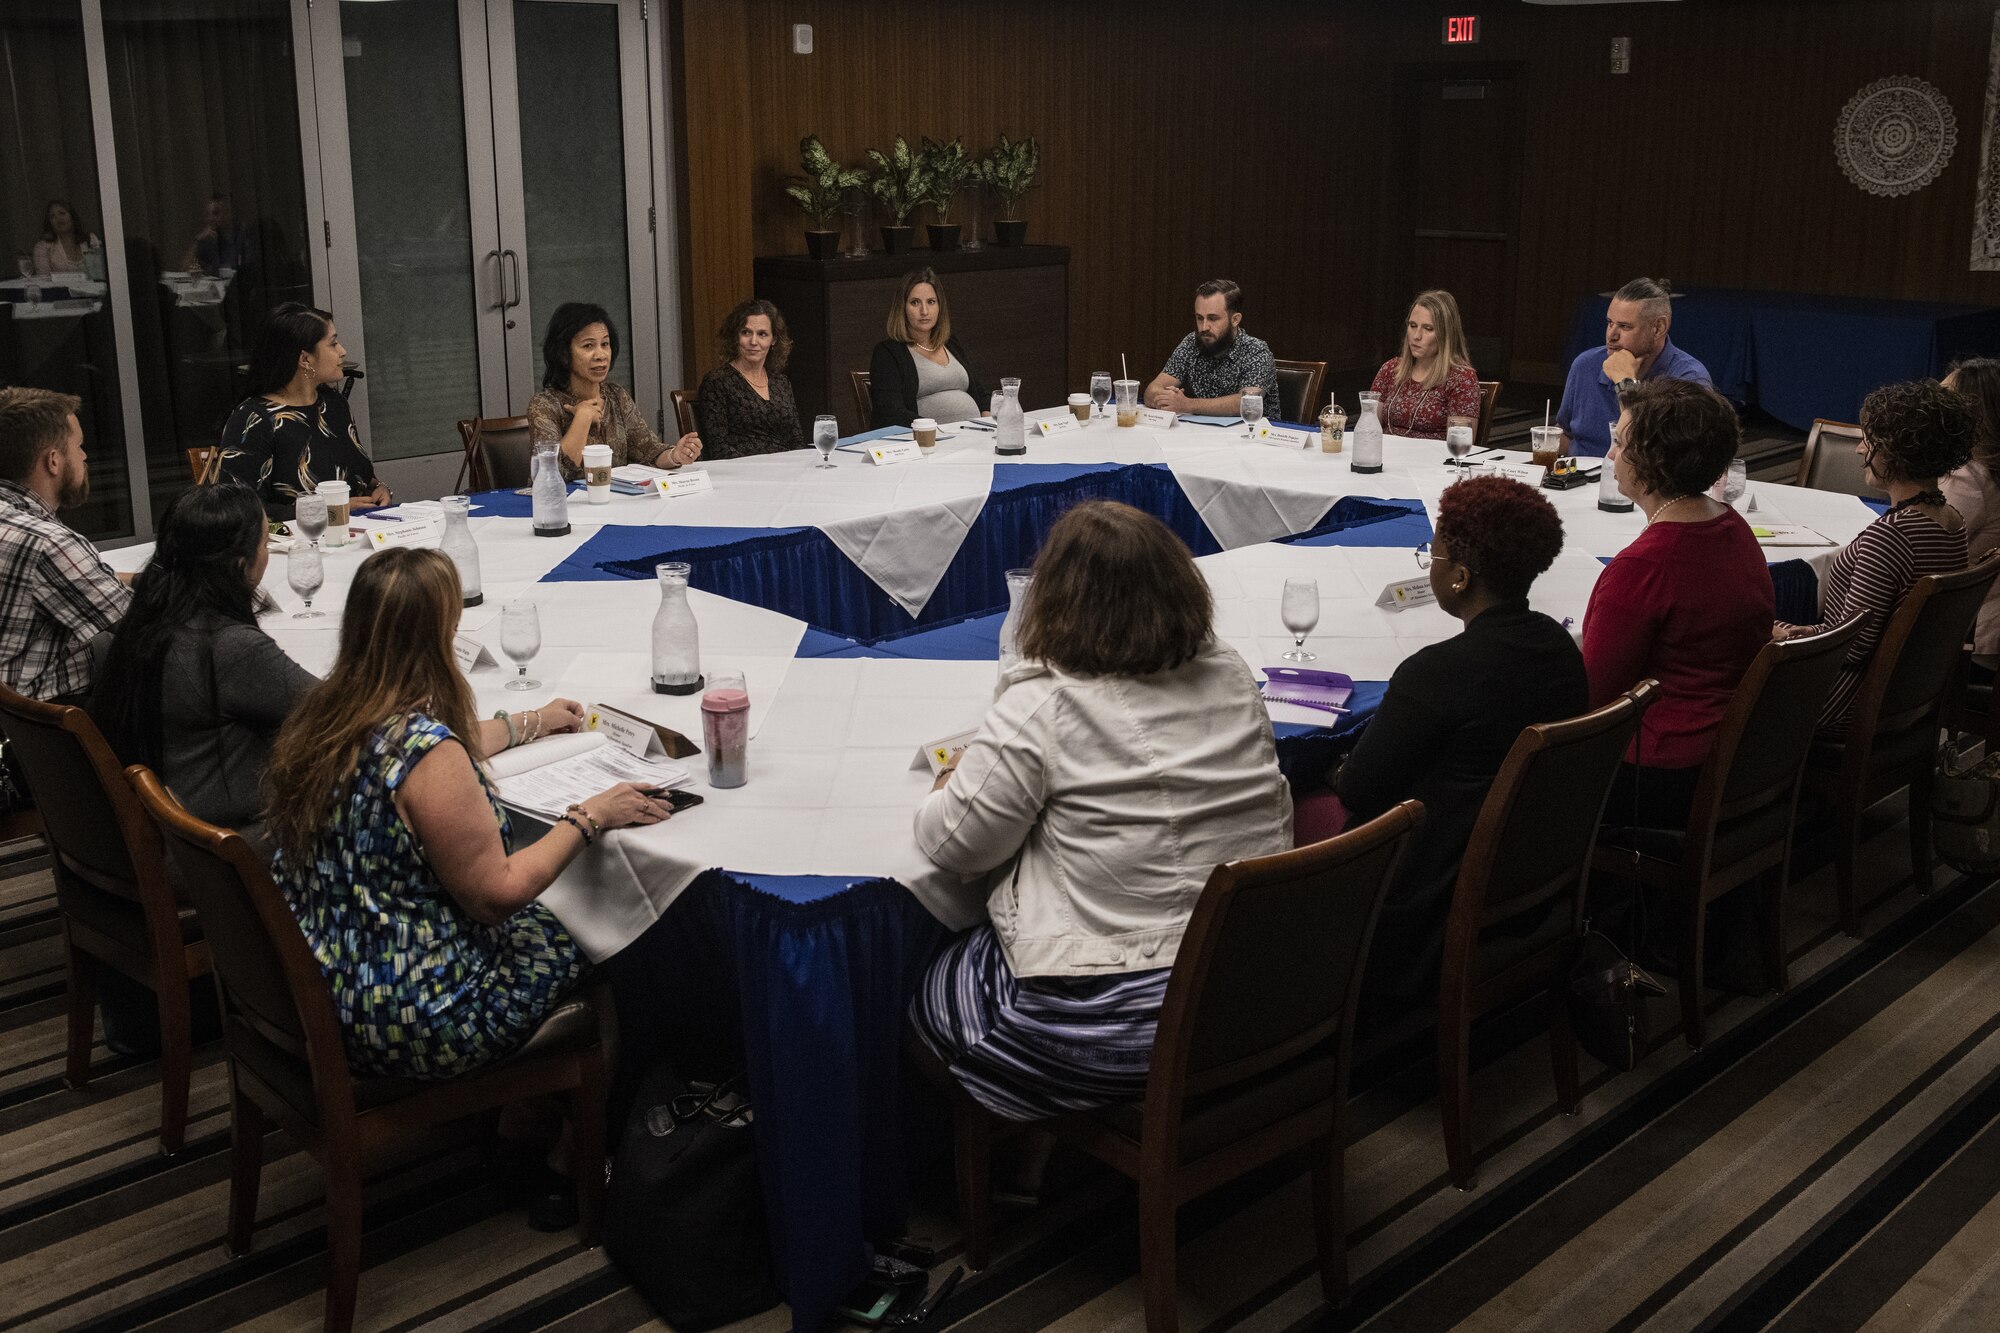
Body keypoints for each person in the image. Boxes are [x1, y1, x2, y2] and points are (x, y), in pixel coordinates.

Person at [908, 501, 1293, 1121]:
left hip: (1126, 1022)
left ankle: (1019, 1157)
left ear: (1054, 599)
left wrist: (944, 790)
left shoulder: (1044, 703)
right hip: (1252, 984)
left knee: (931, 997)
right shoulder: (1230, 672)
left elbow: (957, 847)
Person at [264, 546, 675, 1083]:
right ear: (440, 637)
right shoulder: (428, 756)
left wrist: (530, 722)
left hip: (330, 980)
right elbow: (494, 897)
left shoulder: (324, 716)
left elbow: (438, 743)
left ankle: (535, 1116)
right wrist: (591, 815)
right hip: (420, 1009)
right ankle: (579, 1134)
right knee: (611, 924)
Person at [1326, 476, 1587, 1013]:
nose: (1432, 564)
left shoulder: (1435, 673)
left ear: (1461, 577)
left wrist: (1334, 764)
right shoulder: (1559, 647)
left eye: (1434, 554)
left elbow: (1359, 791)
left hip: (1430, 900)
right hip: (1528, 874)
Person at [1582, 379, 1772, 829]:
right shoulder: (1732, 526)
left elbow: (1593, 697)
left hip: (1659, 769)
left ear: (1652, 460)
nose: (1610, 457)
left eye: (1619, 444)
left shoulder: (1644, 565)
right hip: (1735, 752)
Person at [88, 485, 315, 847]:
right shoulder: (227, 646)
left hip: (152, 828)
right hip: (220, 852)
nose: (266, 553)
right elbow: (338, 712)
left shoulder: (148, 617)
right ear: (242, 566)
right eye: (264, 543)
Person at [1778, 379, 1974, 734]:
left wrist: (1784, 634)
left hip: (1845, 703)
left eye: (1869, 440)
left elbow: (1851, 646)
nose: (1858, 450)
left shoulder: (1892, 536)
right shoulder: (1951, 521)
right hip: (1906, 699)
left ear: (1896, 450)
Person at [0, 387, 130, 703]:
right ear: (54, 461)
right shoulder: (48, 543)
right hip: (49, 723)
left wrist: (141, 578)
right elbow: (144, 626)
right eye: (79, 446)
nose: (84, 456)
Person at [215, 303, 390, 518]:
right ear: (305, 359)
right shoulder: (254, 419)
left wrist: (378, 488)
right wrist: (326, 512)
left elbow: (358, 473)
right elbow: (238, 508)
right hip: (294, 543)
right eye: (333, 344)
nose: (342, 351)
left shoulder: (333, 404)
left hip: (358, 530)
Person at [527, 302, 701, 479]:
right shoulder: (544, 405)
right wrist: (583, 418)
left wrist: (675, 455)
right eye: (588, 346)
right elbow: (549, 474)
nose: (601, 355)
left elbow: (648, 451)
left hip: (614, 502)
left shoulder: (616, 395)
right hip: (565, 504)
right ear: (564, 354)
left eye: (605, 344)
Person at [1556, 277, 1712, 458]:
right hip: (1579, 480)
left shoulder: (1688, 378)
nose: (1611, 336)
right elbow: (1565, 433)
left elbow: (1655, 451)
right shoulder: (1585, 364)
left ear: (1658, 328)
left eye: (1624, 326)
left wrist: (1625, 383)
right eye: (1610, 323)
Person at [1144, 279, 1280, 420]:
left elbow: (1247, 403)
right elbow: (1152, 390)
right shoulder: (1191, 343)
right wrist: (1166, 400)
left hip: (1255, 436)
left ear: (1235, 319)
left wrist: (1187, 405)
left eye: (1213, 319)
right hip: (1203, 434)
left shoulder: (1256, 351)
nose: (1204, 327)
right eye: (1199, 318)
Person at [869, 268, 988, 427]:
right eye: (915, 302)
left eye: (931, 302)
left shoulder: (950, 343)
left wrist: (987, 419)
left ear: (940, 306)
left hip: (975, 436)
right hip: (928, 442)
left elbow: (979, 393)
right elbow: (890, 412)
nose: (924, 311)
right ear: (902, 308)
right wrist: (932, 429)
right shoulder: (888, 353)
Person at [1941, 358, 2000, 672]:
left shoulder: (1970, 477)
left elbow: (1924, 549)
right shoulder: (1988, 468)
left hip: (1973, 639)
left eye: (1944, 400)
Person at [696, 299, 804, 458]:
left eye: (762, 334)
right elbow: (718, 449)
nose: (753, 342)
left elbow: (797, 440)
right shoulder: (717, 382)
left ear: (773, 340)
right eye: (746, 332)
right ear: (736, 336)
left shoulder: (780, 382)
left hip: (787, 471)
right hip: (743, 474)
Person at [1368, 290, 1482, 441]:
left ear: (1446, 335)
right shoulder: (1391, 369)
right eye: (1413, 325)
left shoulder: (1461, 378)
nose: (1416, 336)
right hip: (1386, 457)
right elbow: (1368, 427)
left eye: (1428, 329)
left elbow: (1461, 444)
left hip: (1432, 461)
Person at [181, 194, 252, 274]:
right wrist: (198, 239)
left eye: (215, 213)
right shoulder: (210, 238)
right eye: (209, 214)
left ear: (229, 213)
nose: (210, 218)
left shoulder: (242, 235)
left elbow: (243, 269)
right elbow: (185, 268)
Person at [32, 199, 99, 275]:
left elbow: (100, 271)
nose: (59, 219)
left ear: (72, 216)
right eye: (52, 216)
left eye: (62, 213)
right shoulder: (43, 247)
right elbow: (43, 279)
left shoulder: (90, 239)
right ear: (50, 223)